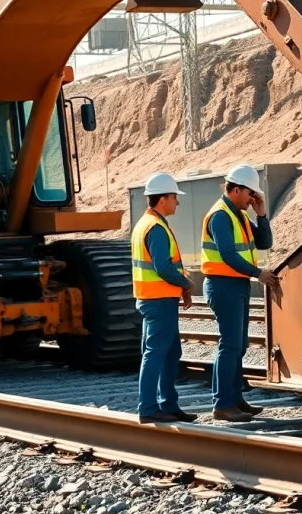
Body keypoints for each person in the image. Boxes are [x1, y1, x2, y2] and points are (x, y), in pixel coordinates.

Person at [200, 164, 278, 422]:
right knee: (230, 345)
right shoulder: (221, 215)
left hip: (236, 285)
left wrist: (262, 213)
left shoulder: (239, 215)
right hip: (223, 285)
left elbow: (265, 243)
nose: (251, 198)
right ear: (235, 190)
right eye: (249, 194)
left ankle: (234, 399)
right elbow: (228, 255)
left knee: (239, 345)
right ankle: (222, 404)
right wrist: (259, 274)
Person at [132, 173, 196, 424]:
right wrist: (187, 284)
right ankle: (148, 408)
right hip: (158, 300)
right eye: (173, 197)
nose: (176, 202)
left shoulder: (146, 224)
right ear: (162, 199)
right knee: (156, 353)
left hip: (156, 299)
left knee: (169, 352)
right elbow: (163, 268)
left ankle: (168, 405)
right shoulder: (155, 228)